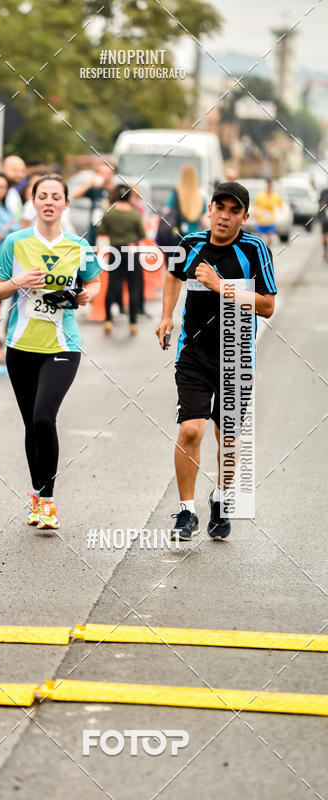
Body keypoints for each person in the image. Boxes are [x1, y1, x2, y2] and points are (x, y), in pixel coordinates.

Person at [155, 181, 277, 541]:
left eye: (233, 210)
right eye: (219, 207)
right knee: (191, 429)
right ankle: (187, 512)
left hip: (236, 355)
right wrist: (166, 316)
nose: (224, 216)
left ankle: (221, 498)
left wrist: (221, 285)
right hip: (193, 353)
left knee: (228, 439)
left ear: (245, 216)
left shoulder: (255, 249)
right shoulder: (189, 245)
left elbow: (268, 305)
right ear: (209, 209)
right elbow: (173, 277)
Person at [0, 175, 102, 530]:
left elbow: (94, 281)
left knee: (43, 418)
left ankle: (48, 502)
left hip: (63, 346)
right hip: (21, 346)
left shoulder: (78, 247)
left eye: (56, 196)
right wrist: (17, 283)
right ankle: (37, 496)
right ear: (33, 202)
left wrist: (88, 295)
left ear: (66, 204)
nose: (49, 201)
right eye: (43, 196)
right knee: (30, 426)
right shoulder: (15, 242)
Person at [97, 185, 145, 336]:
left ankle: (108, 320)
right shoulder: (134, 214)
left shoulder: (109, 213)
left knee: (112, 286)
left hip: (114, 251)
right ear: (130, 196)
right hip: (131, 251)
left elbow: (102, 231)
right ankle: (132, 323)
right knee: (133, 287)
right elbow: (142, 234)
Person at [72, 160, 116, 245]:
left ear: (112, 174)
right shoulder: (95, 189)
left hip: (111, 227)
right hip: (95, 225)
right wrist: (90, 183)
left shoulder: (116, 190)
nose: (104, 175)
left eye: (107, 172)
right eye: (101, 172)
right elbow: (75, 196)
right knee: (91, 247)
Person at [167, 164, 206, 238]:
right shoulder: (200, 197)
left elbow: (168, 211)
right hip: (194, 237)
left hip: (178, 236)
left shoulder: (176, 194)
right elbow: (204, 219)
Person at [253, 179, 283, 248]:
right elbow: (256, 205)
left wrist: (281, 211)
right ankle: (261, 247)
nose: (269, 188)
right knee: (259, 237)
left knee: (270, 237)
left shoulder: (275, 196)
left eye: (270, 187)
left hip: (270, 220)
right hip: (261, 220)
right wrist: (255, 212)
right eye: (268, 187)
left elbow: (280, 205)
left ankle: (267, 248)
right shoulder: (261, 195)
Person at [2, 155, 26, 224]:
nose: (20, 174)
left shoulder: (13, 190)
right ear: (3, 169)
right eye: (15, 170)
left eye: (22, 171)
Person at [318, 184, 328, 261]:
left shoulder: (324, 191)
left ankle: (325, 252)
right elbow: (320, 204)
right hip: (325, 218)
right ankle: (325, 252)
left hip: (324, 218)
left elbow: (320, 204)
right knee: (324, 236)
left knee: (325, 236)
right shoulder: (324, 192)